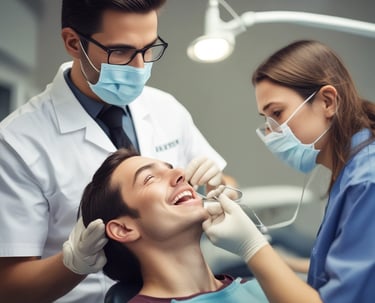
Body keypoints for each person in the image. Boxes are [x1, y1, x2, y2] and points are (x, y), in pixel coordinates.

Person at [0, 1, 234, 302]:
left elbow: (224, 182)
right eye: (120, 51)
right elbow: (8, 287)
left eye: (149, 48)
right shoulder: (17, 143)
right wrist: (74, 265)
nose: (140, 67)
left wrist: (220, 188)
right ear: (74, 43)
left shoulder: (165, 108)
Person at [203, 40, 375, 302]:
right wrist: (283, 262)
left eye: (277, 113)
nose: (271, 133)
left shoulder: (367, 182)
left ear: (327, 101)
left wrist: (252, 246)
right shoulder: (352, 172)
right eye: (265, 120)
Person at [80, 148, 269, 303]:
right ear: (124, 229)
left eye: (170, 167)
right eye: (149, 178)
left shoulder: (266, 289)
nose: (180, 173)